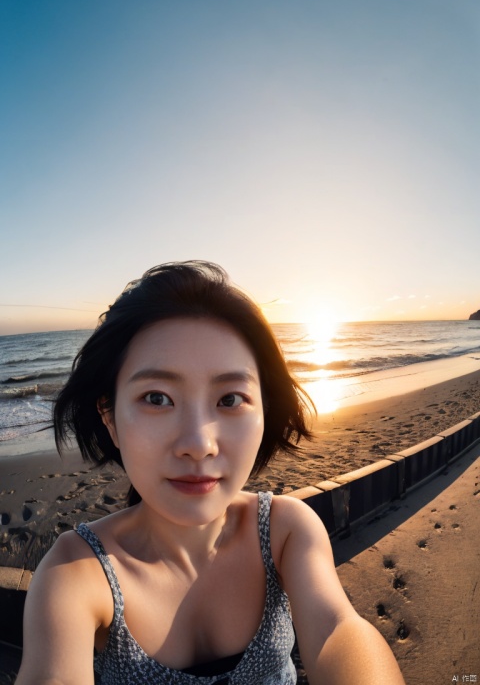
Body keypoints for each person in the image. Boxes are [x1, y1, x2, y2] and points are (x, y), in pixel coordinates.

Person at [16, 261, 405, 685]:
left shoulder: (285, 530)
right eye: (157, 398)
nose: (199, 443)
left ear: (264, 410)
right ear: (109, 415)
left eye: (231, 398)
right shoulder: (75, 571)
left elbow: (338, 630)